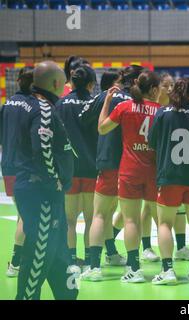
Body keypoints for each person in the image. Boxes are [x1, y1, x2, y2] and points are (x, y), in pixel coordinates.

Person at [14, 61, 78, 300]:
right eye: (63, 82)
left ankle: (67, 295)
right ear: (55, 83)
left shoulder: (26, 105)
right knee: (39, 254)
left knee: (57, 250)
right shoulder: (44, 109)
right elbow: (42, 148)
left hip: (42, 191)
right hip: (43, 192)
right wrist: (54, 181)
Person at [79, 65, 146, 277]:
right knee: (129, 217)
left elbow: (85, 120)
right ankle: (128, 263)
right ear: (136, 82)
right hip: (133, 167)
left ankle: (94, 267)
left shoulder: (109, 96)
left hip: (108, 162)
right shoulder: (139, 103)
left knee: (100, 214)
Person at [96, 71, 161, 283]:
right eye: (159, 88)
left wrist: (106, 101)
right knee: (162, 221)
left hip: (129, 171)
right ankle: (167, 267)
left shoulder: (124, 107)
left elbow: (102, 128)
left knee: (131, 220)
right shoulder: (161, 111)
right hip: (154, 172)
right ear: (153, 89)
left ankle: (134, 269)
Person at [149, 77, 189, 285]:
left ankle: (168, 271)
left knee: (165, 223)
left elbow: (152, 141)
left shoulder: (162, 112)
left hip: (169, 175)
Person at [56, 65, 98, 272]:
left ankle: (71, 260)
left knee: (70, 219)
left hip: (69, 169)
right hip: (92, 168)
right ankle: (90, 260)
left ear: (71, 83)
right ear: (91, 84)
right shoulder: (95, 103)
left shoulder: (61, 104)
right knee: (91, 218)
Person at [1, 66, 34, 277]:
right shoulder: (34, 106)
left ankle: (19, 260)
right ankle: (16, 261)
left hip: (8, 166)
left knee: (24, 213)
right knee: (26, 215)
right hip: (26, 167)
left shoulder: (5, 106)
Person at [156, 72, 189, 261]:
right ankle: (146, 247)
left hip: (170, 171)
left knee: (177, 211)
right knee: (149, 212)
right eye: (166, 85)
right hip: (158, 168)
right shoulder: (157, 110)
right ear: (157, 88)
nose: (169, 89)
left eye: (172, 86)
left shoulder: (169, 111)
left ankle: (180, 247)